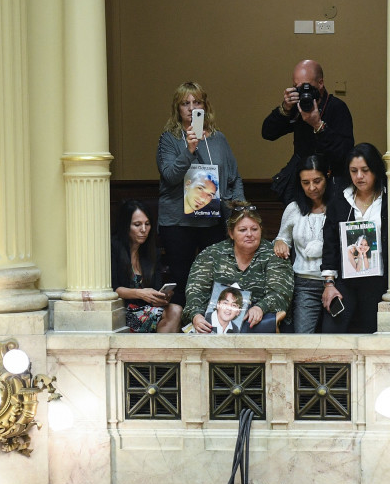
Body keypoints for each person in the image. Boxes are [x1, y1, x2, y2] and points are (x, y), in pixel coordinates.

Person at [158, 81, 244, 313]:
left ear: (205, 107)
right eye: (185, 103)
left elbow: (234, 177)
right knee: (183, 280)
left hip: (211, 220)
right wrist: (189, 150)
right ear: (177, 109)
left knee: (216, 279)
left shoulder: (219, 139)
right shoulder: (169, 139)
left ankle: (211, 328)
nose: (190, 107)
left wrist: (241, 212)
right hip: (178, 223)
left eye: (196, 102)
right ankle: (183, 329)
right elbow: (170, 176)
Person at [183, 202, 293, 334]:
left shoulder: (274, 254)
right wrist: (196, 315)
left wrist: (260, 307)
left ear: (261, 230)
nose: (249, 234)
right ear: (231, 233)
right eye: (242, 230)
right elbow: (196, 291)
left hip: (259, 323)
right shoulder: (211, 254)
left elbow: (280, 293)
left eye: (254, 229)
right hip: (215, 323)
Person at [262, 59, 355, 204]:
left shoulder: (336, 108)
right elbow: (268, 133)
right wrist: (285, 109)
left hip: (332, 183)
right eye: (296, 87)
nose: (303, 92)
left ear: (320, 83)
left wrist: (318, 125)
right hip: (302, 185)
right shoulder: (296, 108)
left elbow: (344, 153)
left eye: (307, 86)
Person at [321, 143, 389, 334]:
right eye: (354, 171)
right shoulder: (340, 200)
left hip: (380, 280)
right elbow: (331, 243)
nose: (359, 176)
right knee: (331, 331)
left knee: (373, 333)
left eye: (365, 170)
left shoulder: (389, 198)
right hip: (347, 279)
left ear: (375, 169)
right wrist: (329, 283)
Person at [273, 155, 331, 333]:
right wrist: (280, 243)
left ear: (327, 176)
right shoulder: (294, 208)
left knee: (336, 337)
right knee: (302, 337)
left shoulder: (339, 206)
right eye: (305, 183)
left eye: (317, 181)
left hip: (334, 283)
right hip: (304, 284)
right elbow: (282, 238)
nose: (312, 188)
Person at [110, 200, 180, 333]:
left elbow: (155, 287)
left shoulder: (151, 252)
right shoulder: (113, 248)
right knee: (174, 312)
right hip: (121, 311)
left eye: (147, 224)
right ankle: (162, 352)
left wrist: (161, 297)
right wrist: (141, 293)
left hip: (146, 309)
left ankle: (161, 352)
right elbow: (112, 288)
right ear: (125, 226)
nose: (143, 230)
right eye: (137, 225)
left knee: (176, 309)